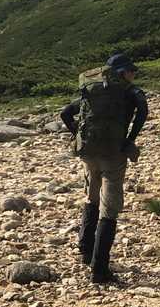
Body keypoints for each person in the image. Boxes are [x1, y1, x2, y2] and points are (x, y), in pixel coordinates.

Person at [60, 52, 147, 285]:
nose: (134, 74)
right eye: (132, 71)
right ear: (123, 72)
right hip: (113, 154)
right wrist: (129, 140)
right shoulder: (129, 92)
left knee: (92, 198)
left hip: (88, 153)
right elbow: (143, 112)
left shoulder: (93, 90)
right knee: (109, 209)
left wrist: (78, 134)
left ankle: (86, 251)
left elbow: (65, 113)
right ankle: (99, 270)